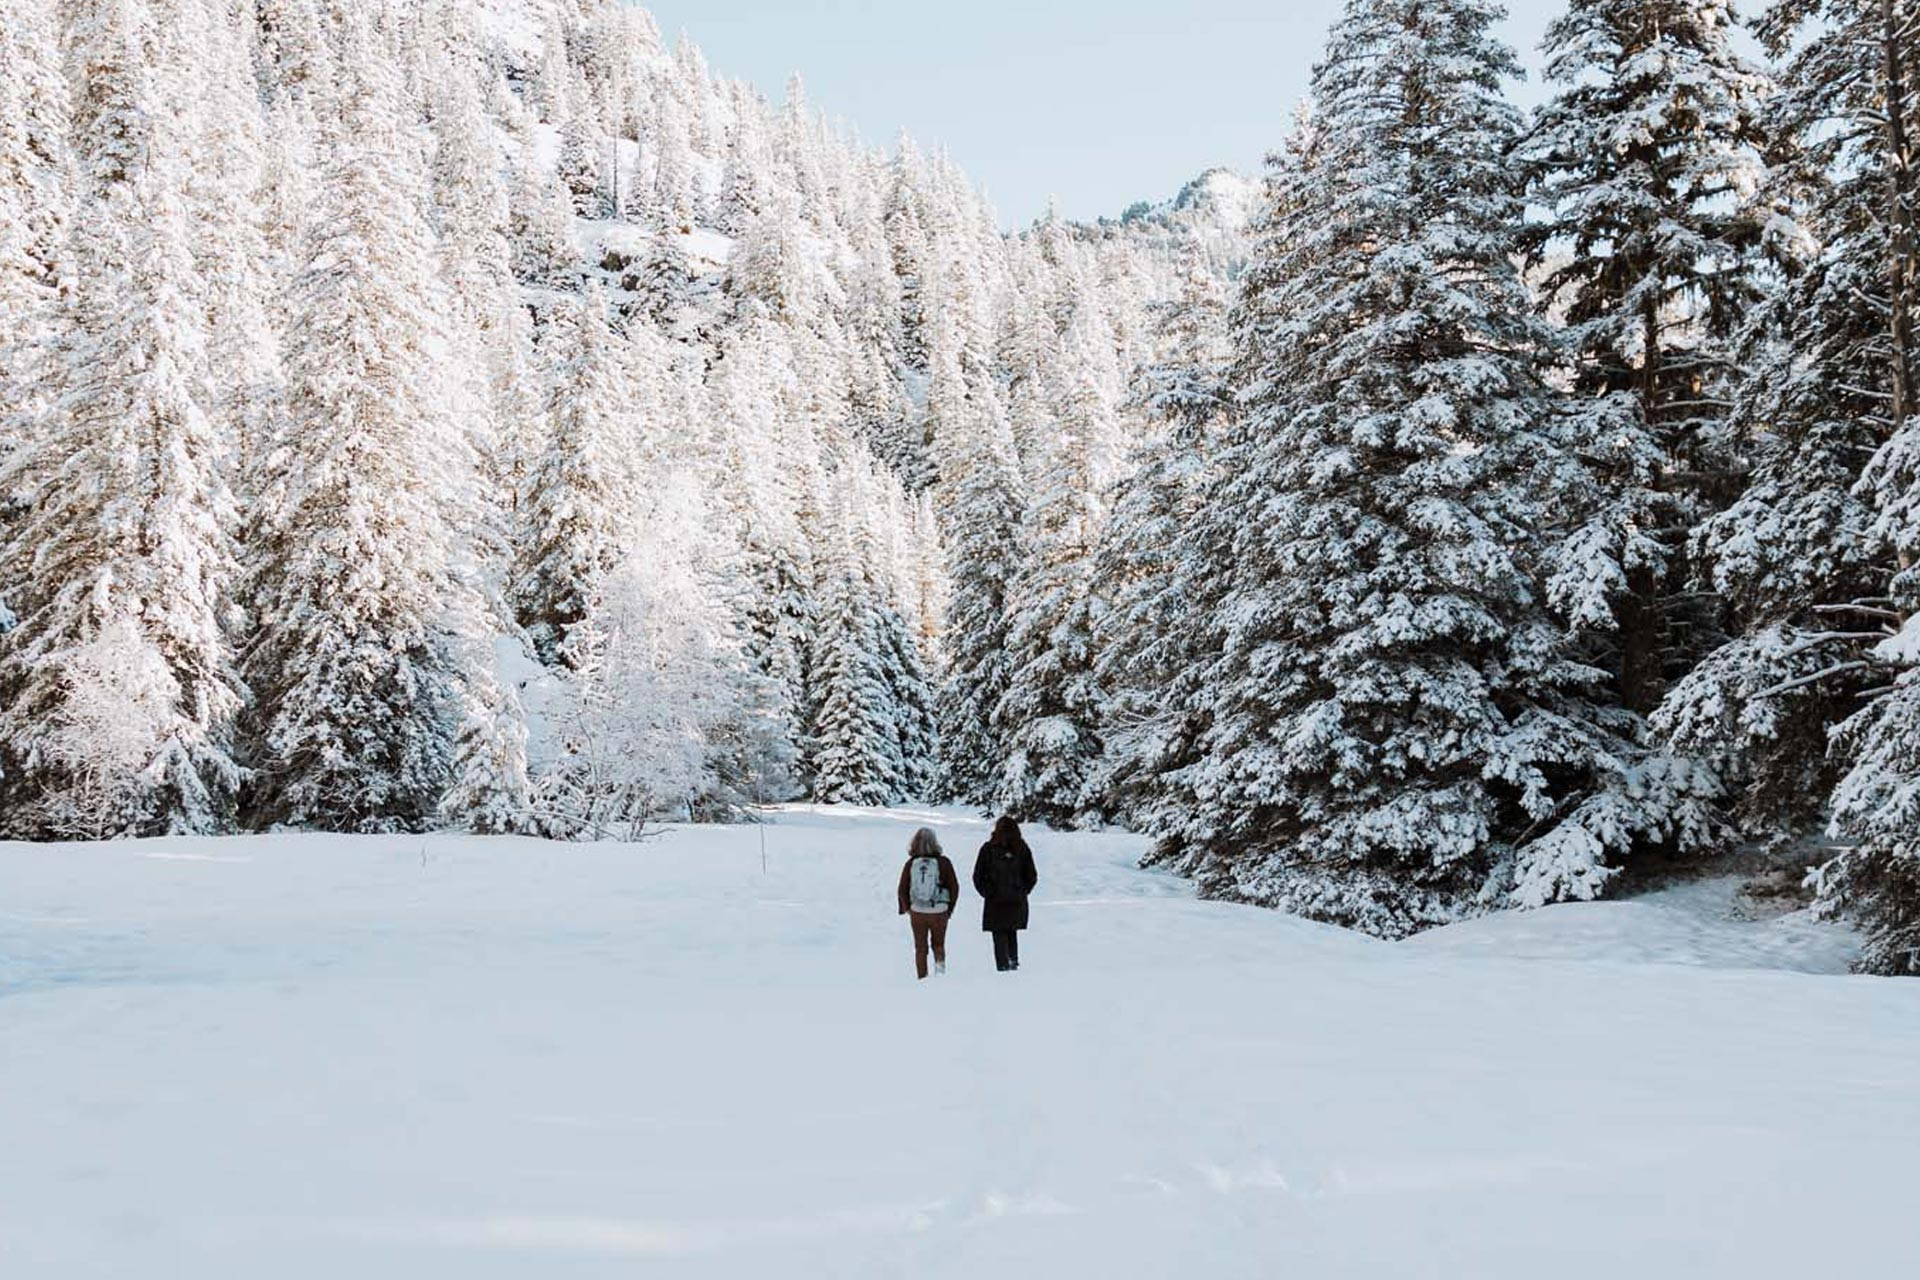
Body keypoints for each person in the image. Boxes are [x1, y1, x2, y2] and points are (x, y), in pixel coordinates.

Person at [972, 816, 1038, 972]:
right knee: (1011, 932)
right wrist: (1022, 891)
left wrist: (988, 892)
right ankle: (1013, 962)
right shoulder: (1022, 848)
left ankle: (1003, 966)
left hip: (995, 901)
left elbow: (978, 876)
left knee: (999, 933)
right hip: (1016, 900)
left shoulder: (988, 848)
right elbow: (1032, 876)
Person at [897, 827, 960, 980]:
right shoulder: (944, 863)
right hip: (939, 910)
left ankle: (922, 978)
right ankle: (940, 975)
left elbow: (902, 888)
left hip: (918, 911)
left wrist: (907, 908)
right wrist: (949, 909)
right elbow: (954, 887)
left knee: (920, 947)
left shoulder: (911, 863)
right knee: (938, 945)